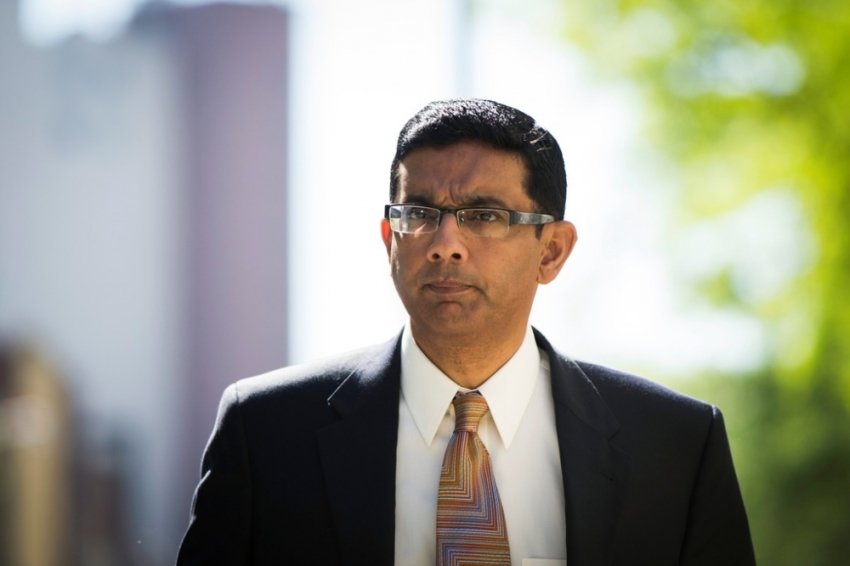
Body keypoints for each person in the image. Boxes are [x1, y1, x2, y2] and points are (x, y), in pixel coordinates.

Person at [176, 99, 755, 565]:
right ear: (389, 241)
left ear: (552, 251)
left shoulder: (676, 445)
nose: (444, 242)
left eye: (484, 215)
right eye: (420, 213)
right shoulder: (266, 433)